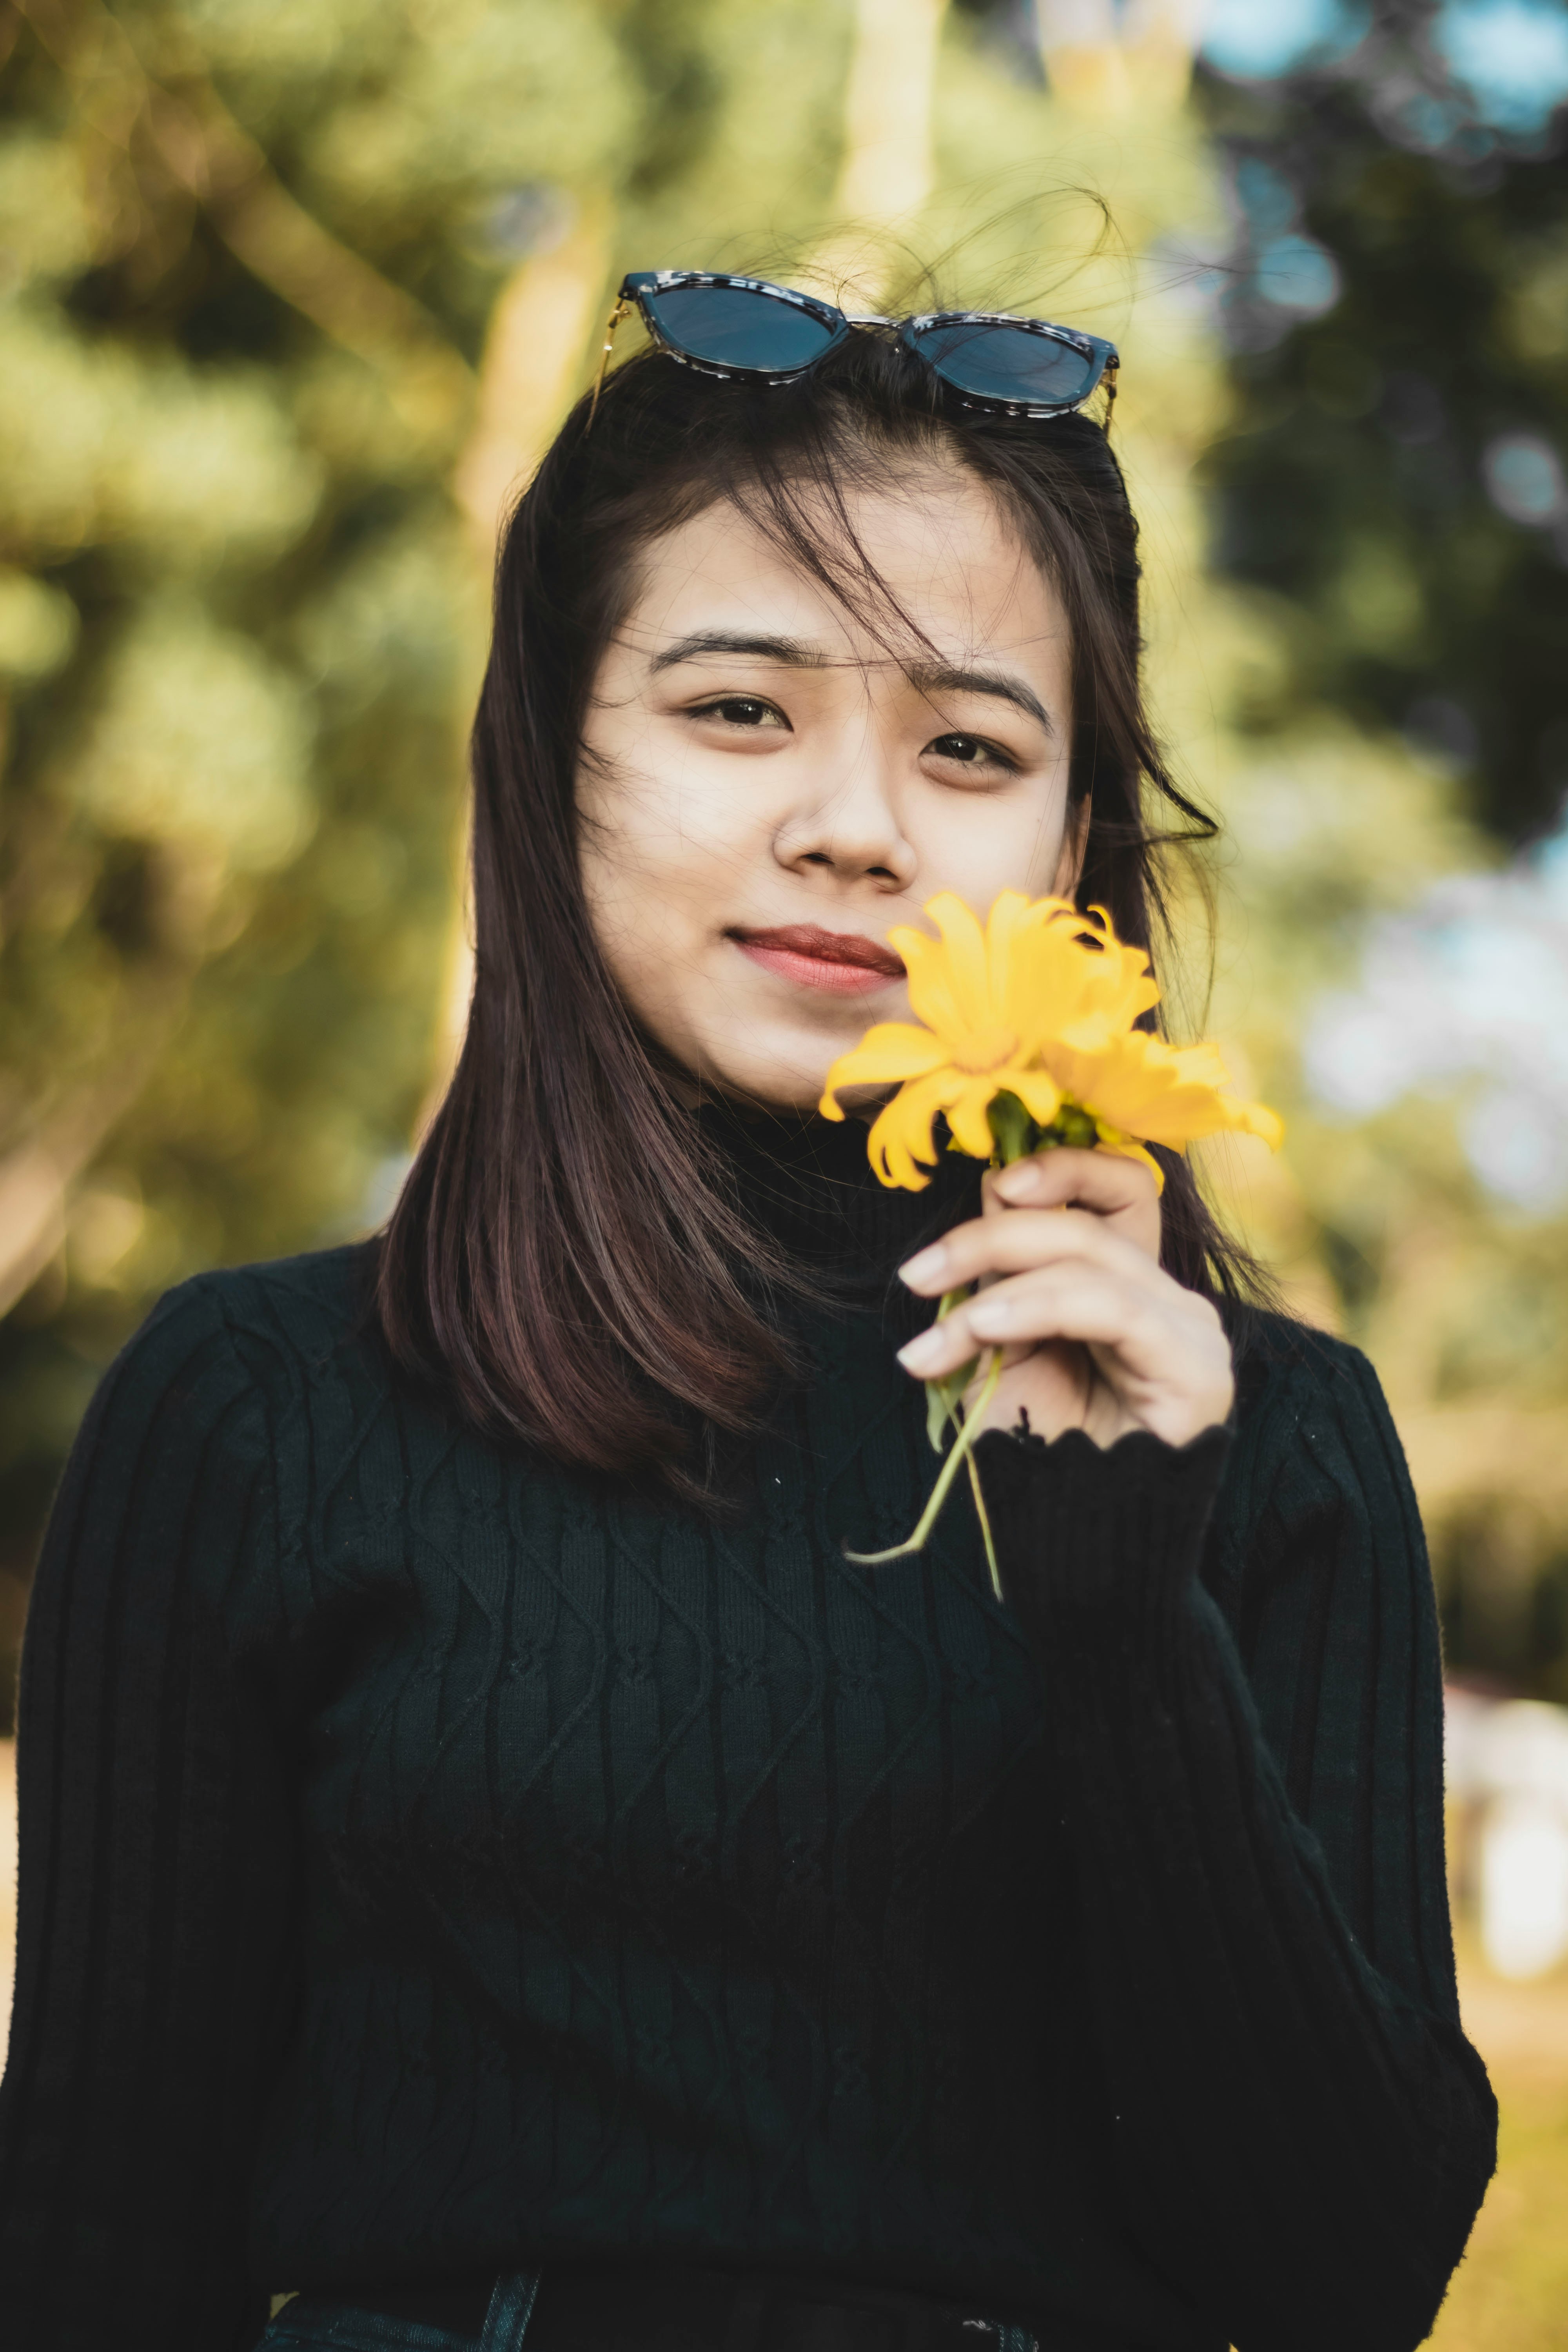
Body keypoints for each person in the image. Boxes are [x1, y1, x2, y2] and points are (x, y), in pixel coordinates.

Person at [0, 273, 1495, 2352]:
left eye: (967, 746)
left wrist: (1127, 1606)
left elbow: (1346, 2282)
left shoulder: (1272, 1435)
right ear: (553, 752)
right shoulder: (258, 1412)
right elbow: (95, 2240)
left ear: (1072, 840)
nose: (853, 827)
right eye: (737, 709)